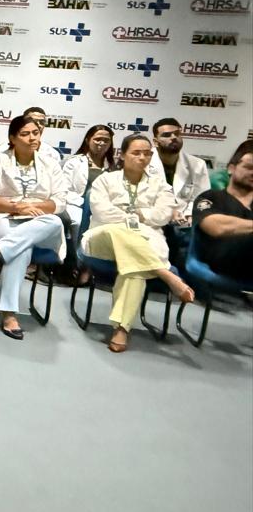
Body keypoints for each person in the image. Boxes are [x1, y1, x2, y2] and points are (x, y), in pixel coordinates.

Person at [81, 134, 194, 352]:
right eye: (136, 153)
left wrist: (138, 215)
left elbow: (162, 215)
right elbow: (101, 211)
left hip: (146, 241)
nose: (142, 158)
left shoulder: (161, 185)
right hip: (103, 238)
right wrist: (136, 218)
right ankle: (164, 273)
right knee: (117, 231)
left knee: (134, 267)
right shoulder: (105, 180)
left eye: (147, 153)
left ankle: (121, 328)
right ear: (123, 155)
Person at [0, 114, 68, 340]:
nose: (32, 138)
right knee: (21, 248)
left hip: (40, 223)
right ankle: (9, 314)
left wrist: (32, 207)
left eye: (36, 133)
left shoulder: (50, 163)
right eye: (25, 134)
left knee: (55, 221)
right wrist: (18, 208)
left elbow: (60, 202)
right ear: (12, 138)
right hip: (2, 218)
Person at [147, 117, 211, 267]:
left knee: (188, 236)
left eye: (177, 133)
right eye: (167, 135)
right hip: (153, 217)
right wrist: (167, 213)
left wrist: (188, 215)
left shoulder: (197, 164)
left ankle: (181, 276)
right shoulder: (143, 161)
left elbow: (202, 197)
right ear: (155, 141)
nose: (174, 137)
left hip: (183, 221)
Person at [192, 140, 253, 281]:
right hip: (220, 271)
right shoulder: (210, 197)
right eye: (249, 167)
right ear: (231, 168)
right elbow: (215, 226)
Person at [63, 124, 116, 223]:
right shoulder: (74, 162)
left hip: (104, 208)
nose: (102, 143)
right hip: (78, 205)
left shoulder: (114, 167)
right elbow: (64, 190)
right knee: (79, 222)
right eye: (97, 139)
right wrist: (86, 203)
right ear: (87, 140)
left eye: (106, 140)